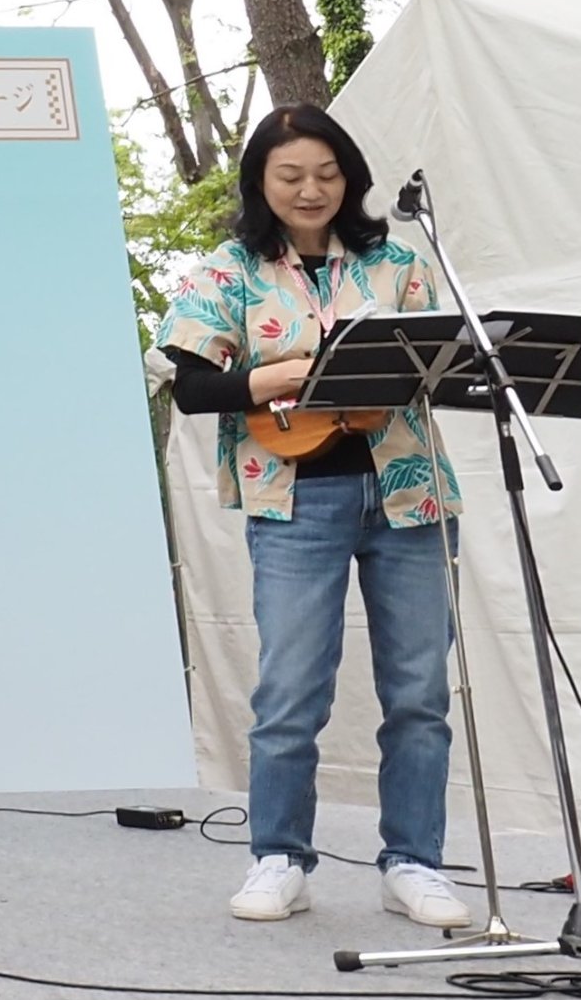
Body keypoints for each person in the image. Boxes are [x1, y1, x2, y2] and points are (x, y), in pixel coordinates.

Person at [156, 119, 472, 931]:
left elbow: (446, 361)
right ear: (259, 181)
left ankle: (414, 862)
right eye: (290, 173)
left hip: (409, 491)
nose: (310, 189)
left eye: (327, 173)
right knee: (290, 690)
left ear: (351, 177)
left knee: (420, 691)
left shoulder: (397, 264)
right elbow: (191, 386)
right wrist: (286, 375)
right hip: (295, 497)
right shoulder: (230, 270)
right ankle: (279, 856)